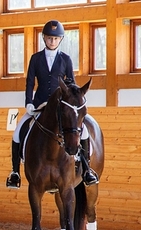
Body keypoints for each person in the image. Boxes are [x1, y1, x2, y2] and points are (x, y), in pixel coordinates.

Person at [6, 20, 99, 189]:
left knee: (83, 131)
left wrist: (74, 103)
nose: (52, 42)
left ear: (60, 40)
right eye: (49, 38)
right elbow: (29, 82)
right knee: (17, 132)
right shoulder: (35, 58)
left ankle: (87, 169)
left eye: (55, 39)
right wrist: (28, 102)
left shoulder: (66, 59)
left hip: (60, 107)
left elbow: (71, 83)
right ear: (44, 38)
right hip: (39, 105)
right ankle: (15, 172)